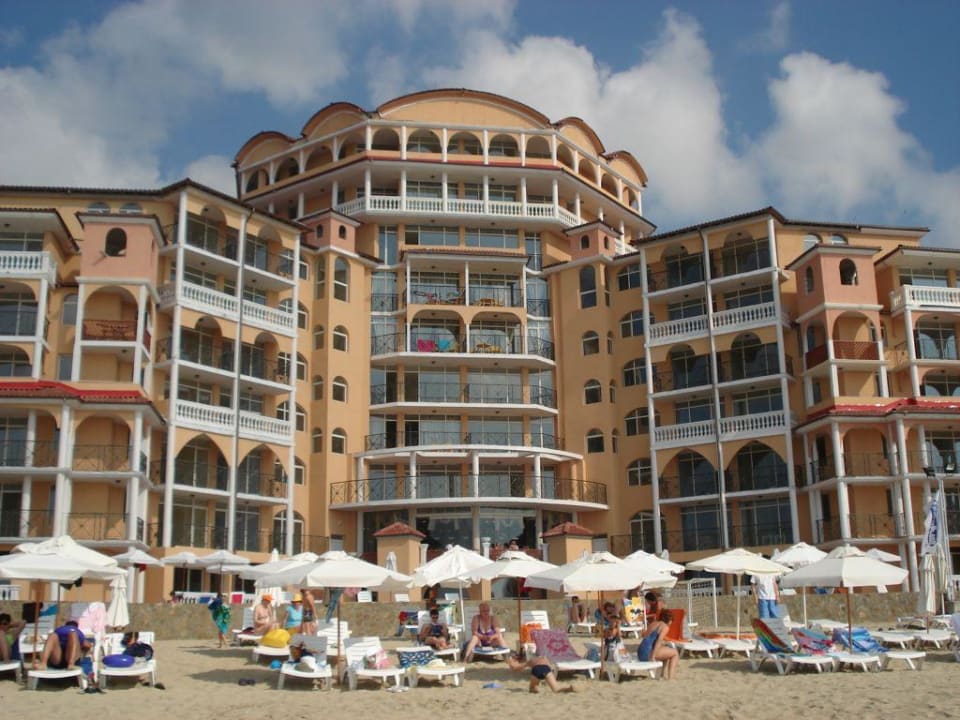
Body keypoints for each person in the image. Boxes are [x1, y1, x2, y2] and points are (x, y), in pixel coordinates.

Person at [637, 609, 679, 680]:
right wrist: (653, 656)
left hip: (640, 652)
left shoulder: (654, 623)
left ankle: (661, 675)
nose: (671, 622)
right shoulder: (665, 627)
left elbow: (648, 638)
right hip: (648, 654)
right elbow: (658, 641)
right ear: (669, 619)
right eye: (671, 620)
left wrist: (664, 644)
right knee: (675, 653)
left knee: (666, 650)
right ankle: (671, 678)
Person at [507, 652, 576, 693]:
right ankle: (569, 689)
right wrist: (546, 680)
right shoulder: (545, 659)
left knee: (532, 688)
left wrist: (510, 662)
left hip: (536, 669)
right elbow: (551, 670)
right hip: (546, 669)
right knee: (556, 689)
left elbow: (517, 668)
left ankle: (535, 688)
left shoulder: (531, 660)